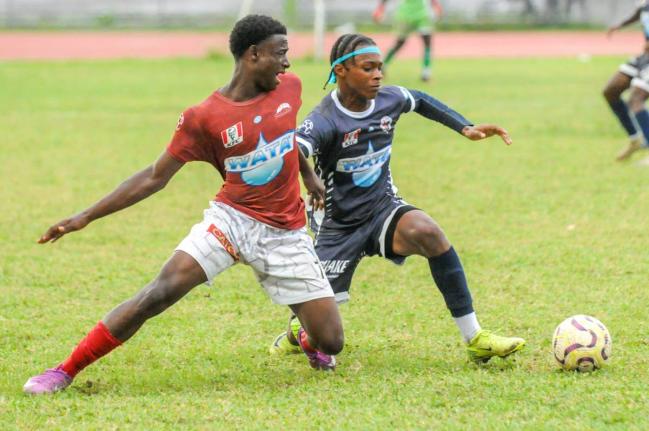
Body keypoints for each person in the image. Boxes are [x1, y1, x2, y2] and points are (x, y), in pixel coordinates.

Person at [23, 15, 345, 395]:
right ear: (253, 55)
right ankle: (64, 370)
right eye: (281, 54)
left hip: (286, 232)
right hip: (232, 221)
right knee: (157, 294)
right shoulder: (203, 117)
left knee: (332, 342)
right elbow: (153, 177)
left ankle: (307, 339)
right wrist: (85, 216)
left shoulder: (290, 87)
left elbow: (284, 134)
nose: (288, 63)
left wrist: (307, 175)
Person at [269, 33, 525, 364]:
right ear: (342, 70)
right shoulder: (325, 118)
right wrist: (308, 174)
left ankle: (474, 336)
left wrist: (466, 127)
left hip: (382, 210)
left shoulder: (389, 101)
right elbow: (296, 148)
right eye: (367, 68)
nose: (378, 75)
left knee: (429, 233)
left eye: (380, 68)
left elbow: (418, 99)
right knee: (320, 325)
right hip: (337, 225)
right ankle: (296, 334)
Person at [604, 0, 649, 163]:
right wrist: (620, 25)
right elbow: (640, 12)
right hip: (644, 57)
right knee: (611, 90)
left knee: (636, 99)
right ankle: (635, 138)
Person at [372, 0, 442, 82]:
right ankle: (383, 66)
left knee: (427, 42)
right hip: (405, 14)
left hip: (422, 14)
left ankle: (426, 73)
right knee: (400, 43)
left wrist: (436, 6)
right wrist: (380, 9)